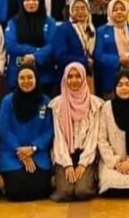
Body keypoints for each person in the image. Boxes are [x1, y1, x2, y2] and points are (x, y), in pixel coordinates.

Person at [0, 65, 54, 201]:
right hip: (12, 153)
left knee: (41, 189)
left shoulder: (45, 102)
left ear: (36, 79)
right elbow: (4, 129)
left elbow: (49, 130)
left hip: (37, 153)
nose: (26, 81)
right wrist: (21, 152)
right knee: (16, 190)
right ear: (16, 80)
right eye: (22, 78)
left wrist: (33, 148)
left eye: (30, 77)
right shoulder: (7, 101)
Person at [49, 62, 103, 202]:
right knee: (64, 193)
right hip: (64, 154)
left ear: (84, 78)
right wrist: (67, 164)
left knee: (82, 191)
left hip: (86, 154)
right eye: (70, 76)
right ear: (65, 79)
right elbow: (58, 137)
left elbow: (93, 137)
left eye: (78, 76)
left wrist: (83, 163)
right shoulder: (57, 105)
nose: (74, 80)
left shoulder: (94, 104)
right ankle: (59, 178)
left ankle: (91, 178)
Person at [5, 0, 56, 95]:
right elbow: (10, 45)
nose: (31, 3)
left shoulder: (49, 22)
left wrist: (35, 57)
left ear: (40, 2)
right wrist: (36, 50)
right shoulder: (13, 22)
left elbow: (52, 45)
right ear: (22, 2)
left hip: (44, 76)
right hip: (17, 75)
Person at [93, 0, 129, 98]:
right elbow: (98, 54)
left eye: (122, 9)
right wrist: (118, 60)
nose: (119, 12)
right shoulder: (101, 31)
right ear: (110, 12)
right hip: (110, 76)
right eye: (115, 10)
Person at [53, 0, 96, 93]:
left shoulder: (92, 30)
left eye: (83, 8)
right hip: (69, 77)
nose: (80, 12)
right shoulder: (64, 29)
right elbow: (60, 56)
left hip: (89, 76)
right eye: (76, 9)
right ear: (71, 12)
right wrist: (84, 61)